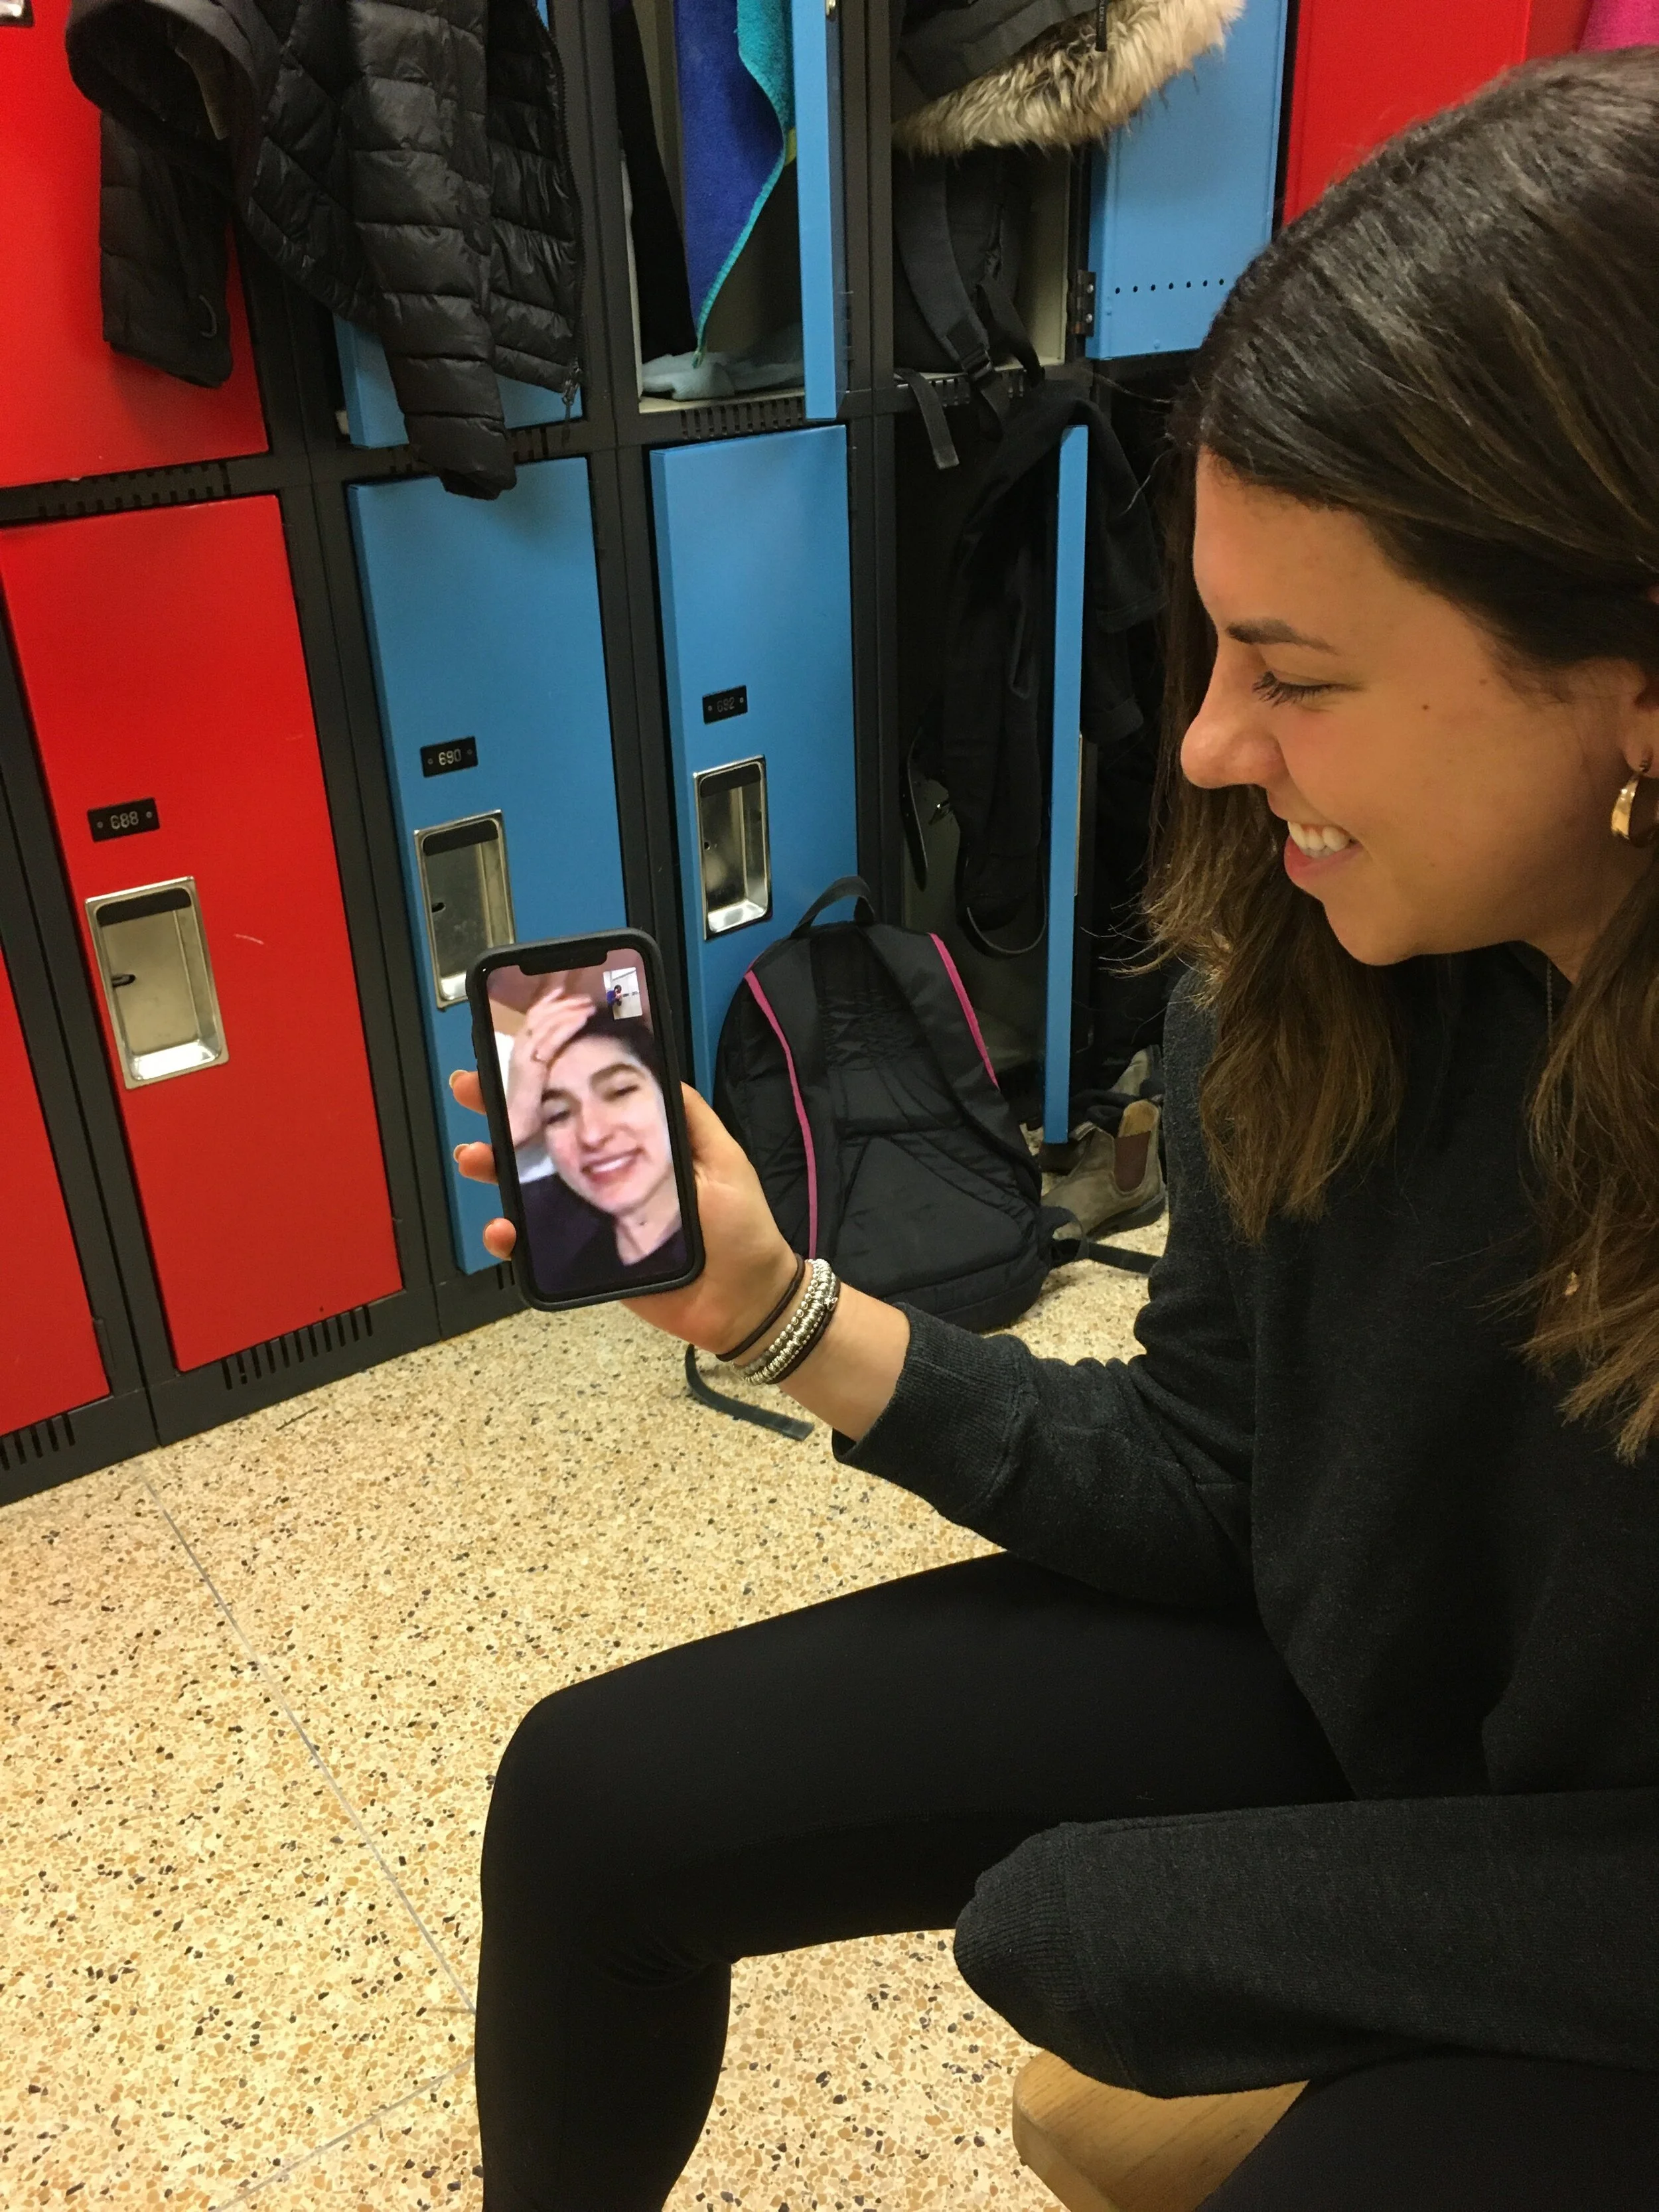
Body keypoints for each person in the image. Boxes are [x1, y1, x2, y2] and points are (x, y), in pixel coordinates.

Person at [448, 52, 1659, 2210]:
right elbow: (1219, 1485)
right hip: (1384, 1724)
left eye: (1295, 672)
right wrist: (778, 1306)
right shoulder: (1309, 964)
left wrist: (1228, 1928)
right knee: (590, 1796)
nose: (1203, 742)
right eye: (1210, 642)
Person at [500, 986, 685, 1295]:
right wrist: (516, 1124)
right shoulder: (555, 1255)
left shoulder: (729, 1226)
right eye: (558, 1114)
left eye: (619, 1092)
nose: (592, 1135)